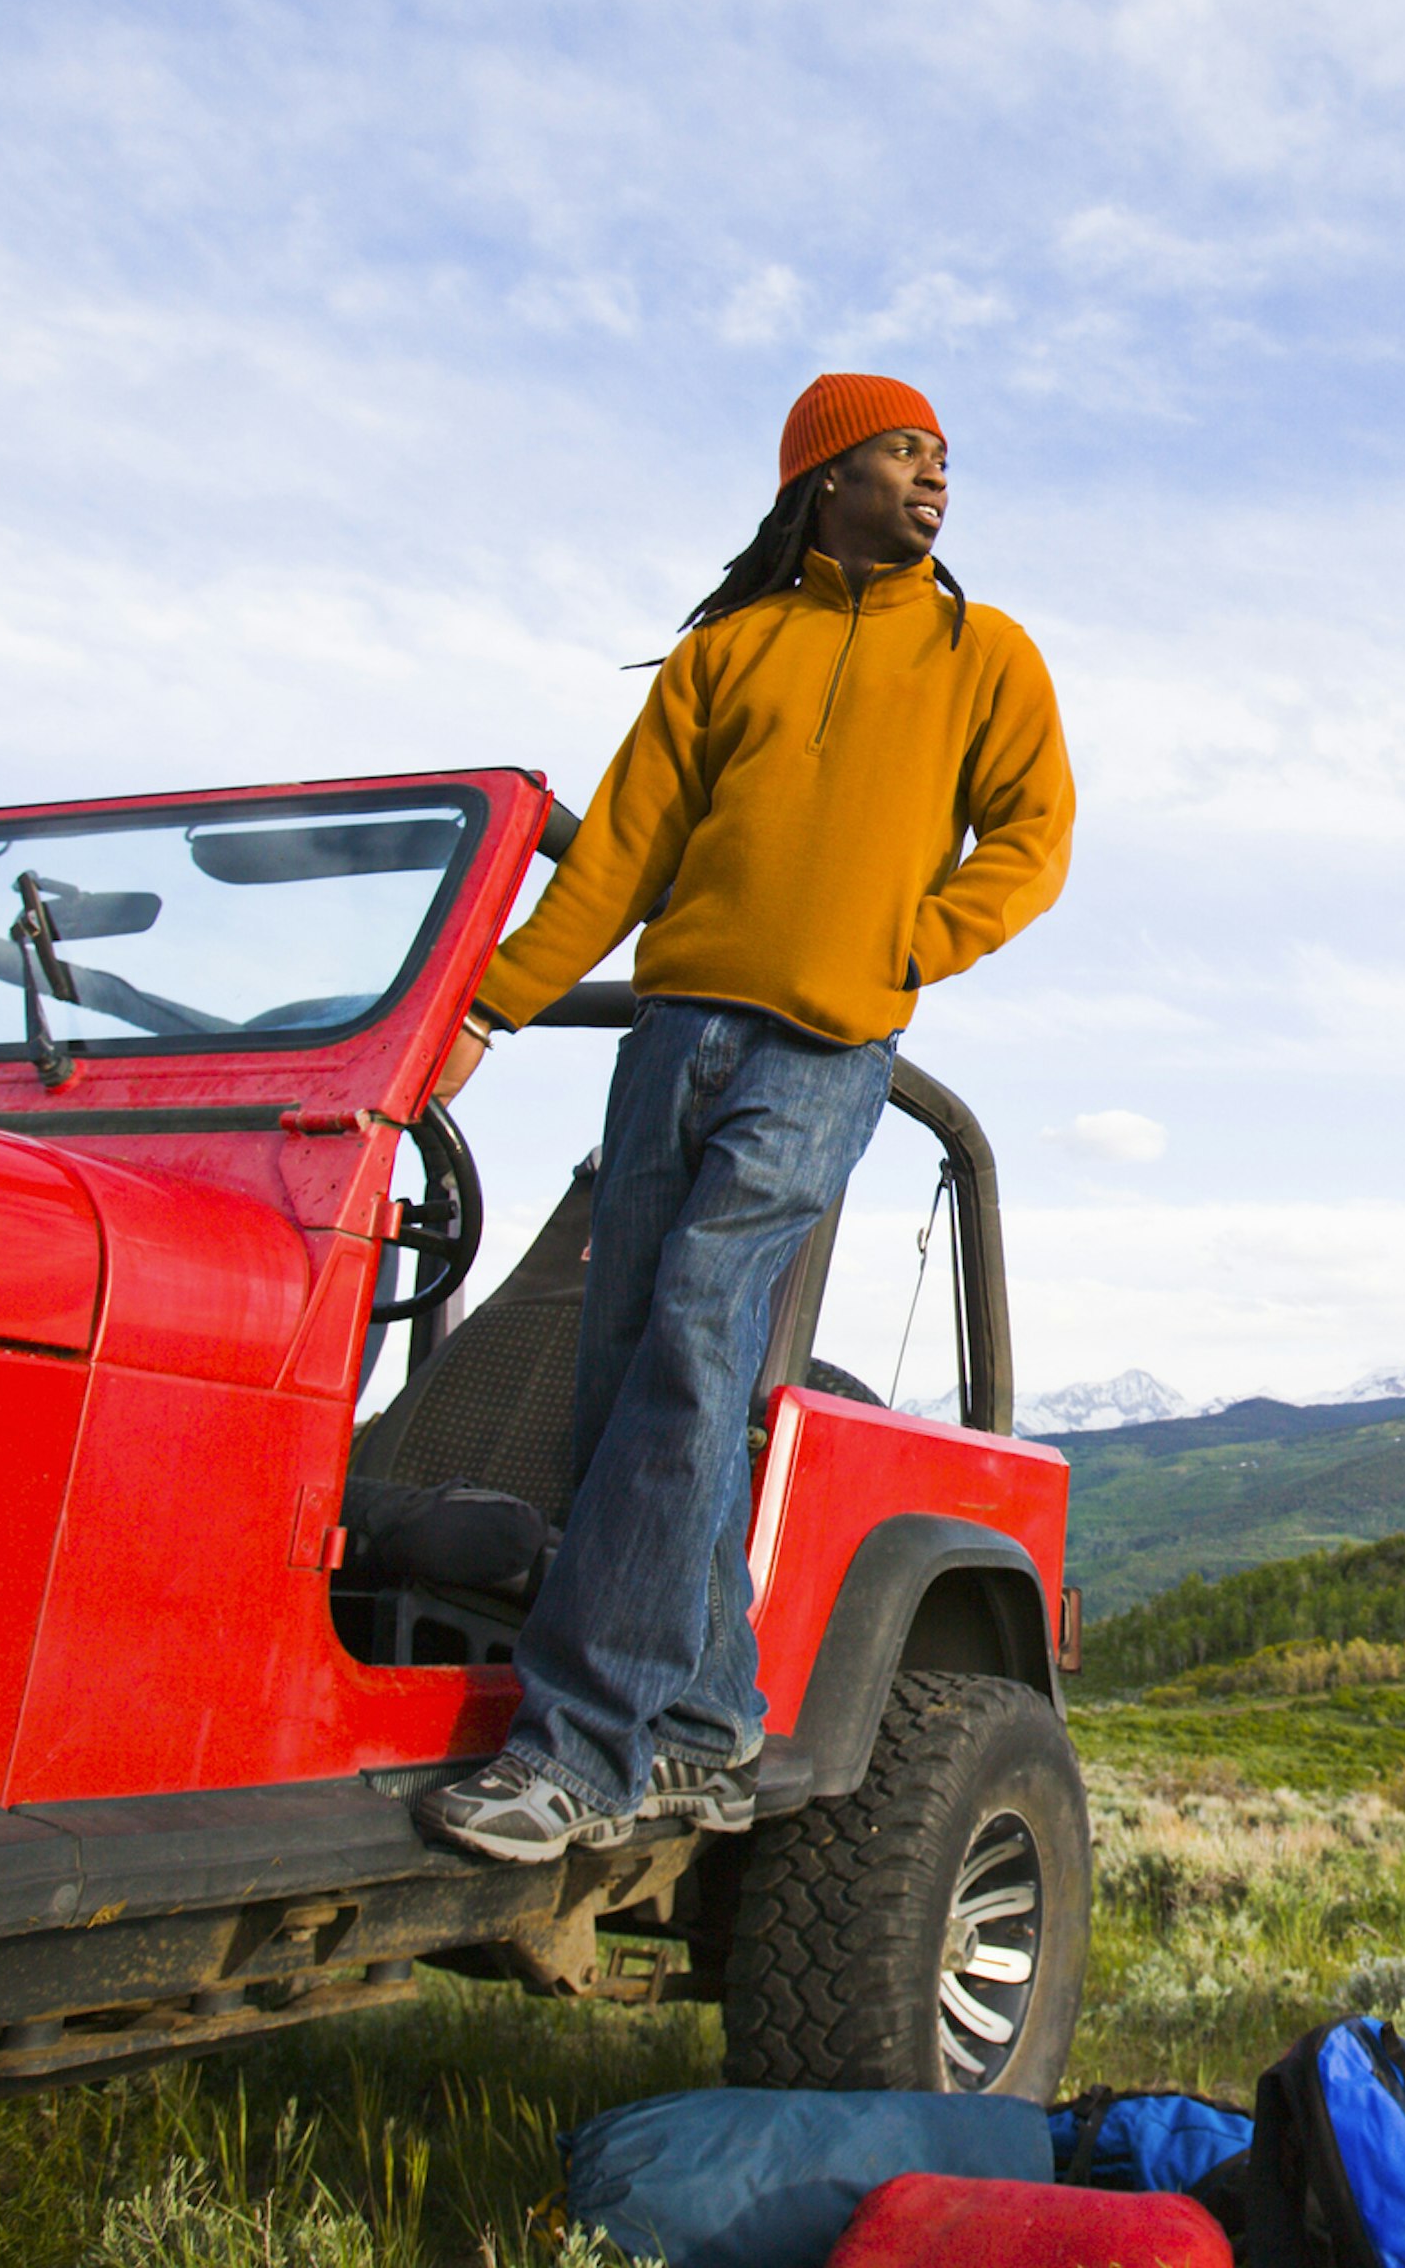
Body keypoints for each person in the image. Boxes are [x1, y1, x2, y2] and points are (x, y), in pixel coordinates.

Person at [411, 373, 1074, 1864]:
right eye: (905, 450)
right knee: (635, 1376)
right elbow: (618, 859)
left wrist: (908, 946)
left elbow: (1034, 842)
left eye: (943, 457)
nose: (935, 476)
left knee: (699, 1342)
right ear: (823, 473)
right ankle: (706, 1737)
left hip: (821, 1053)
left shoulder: (987, 656)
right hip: (669, 1043)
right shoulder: (728, 652)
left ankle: (579, 1752)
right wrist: (492, 1009)